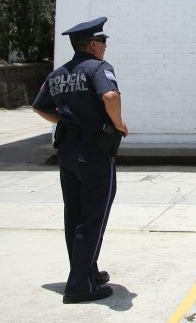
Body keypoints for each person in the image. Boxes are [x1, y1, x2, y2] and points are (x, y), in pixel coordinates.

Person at [32, 17, 128, 304]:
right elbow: (110, 96)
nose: (106, 48)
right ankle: (79, 286)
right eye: (104, 42)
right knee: (93, 217)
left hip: (67, 152)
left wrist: (66, 119)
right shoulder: (98, 68)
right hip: (95, 153)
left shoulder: (59, 74)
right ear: (93, 44)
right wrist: (119, 123)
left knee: (74, 214)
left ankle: (87, 272)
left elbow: (40, 107)